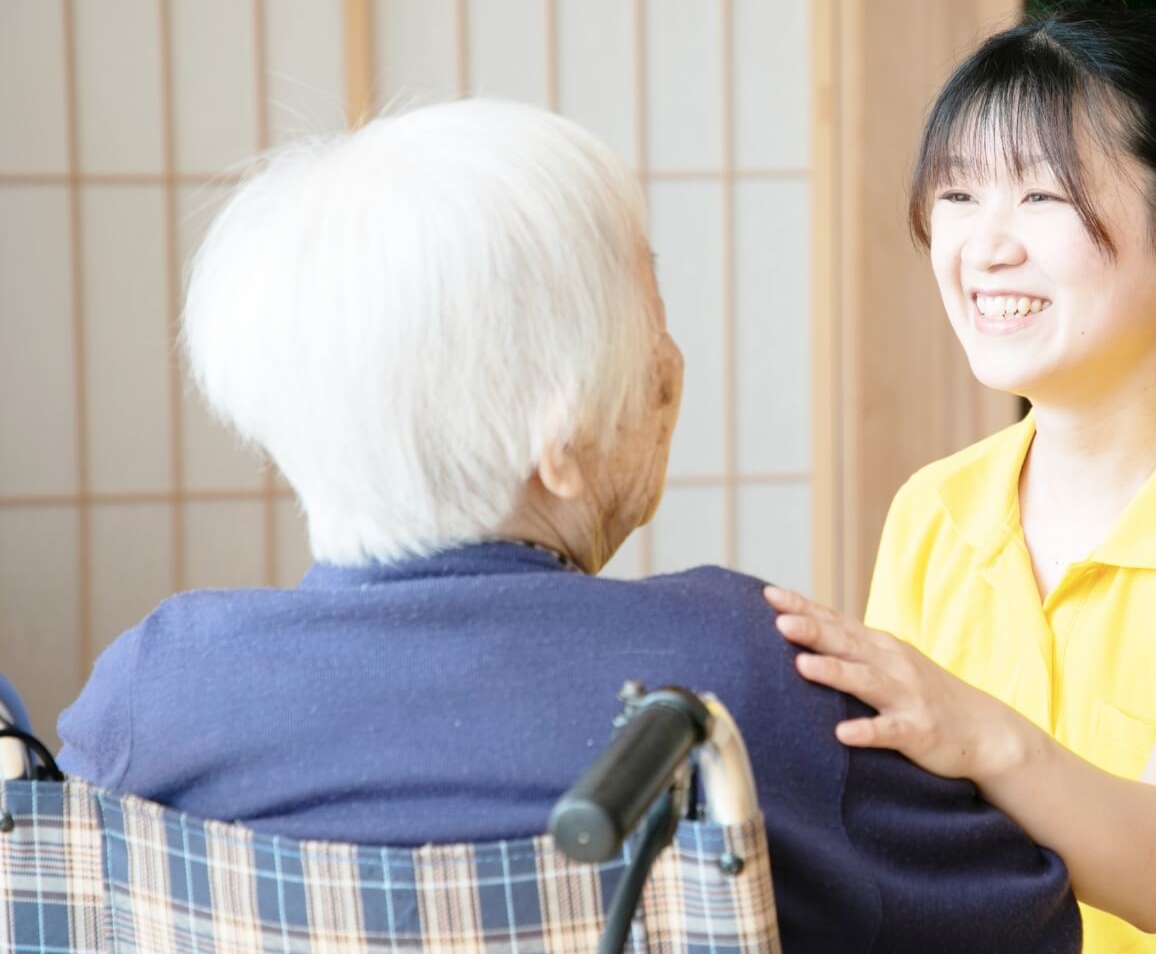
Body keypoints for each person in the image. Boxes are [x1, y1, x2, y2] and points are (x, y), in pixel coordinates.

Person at [54, 99, 1080, 953]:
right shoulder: (732, 683)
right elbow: (1030, 921)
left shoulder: (155, 692)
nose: (671, 357)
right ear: (559, 436)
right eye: (647, 302)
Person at [770, 8, 1156, 953]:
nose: (985, 248)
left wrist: (965, 727)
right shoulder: (933, 511)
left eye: (1044, 198)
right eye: (959, 196)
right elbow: (914, 847)